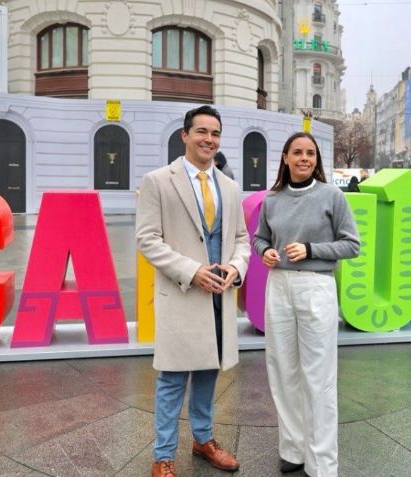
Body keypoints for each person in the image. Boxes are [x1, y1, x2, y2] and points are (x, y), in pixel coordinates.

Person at [135, 105, 251, 477]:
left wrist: (236, 267)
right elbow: (148, 240)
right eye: (202, 131)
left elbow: (241, 239)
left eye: (215, 133)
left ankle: (203, 440)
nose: (209, 139)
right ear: (184, 135)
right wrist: (192, 270)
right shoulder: (158, 181)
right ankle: (162, 456)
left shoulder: (230, 186)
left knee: (208, 372)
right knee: (171, 378)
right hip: (183, 293)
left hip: (220, 295)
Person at [253, 132, 360, 477]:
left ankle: (322, 462)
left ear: (317, 160)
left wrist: (312, 250)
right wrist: (264, 251)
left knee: (319, 377)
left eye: (310, 153)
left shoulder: (332, 196)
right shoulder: (272, 200)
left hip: (316, 286)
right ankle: (293, 449)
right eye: (297, 152)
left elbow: (351, 245)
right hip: (279, 285)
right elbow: (260, 237)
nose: (304, 158)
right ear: (285, 157)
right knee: (283, 371)